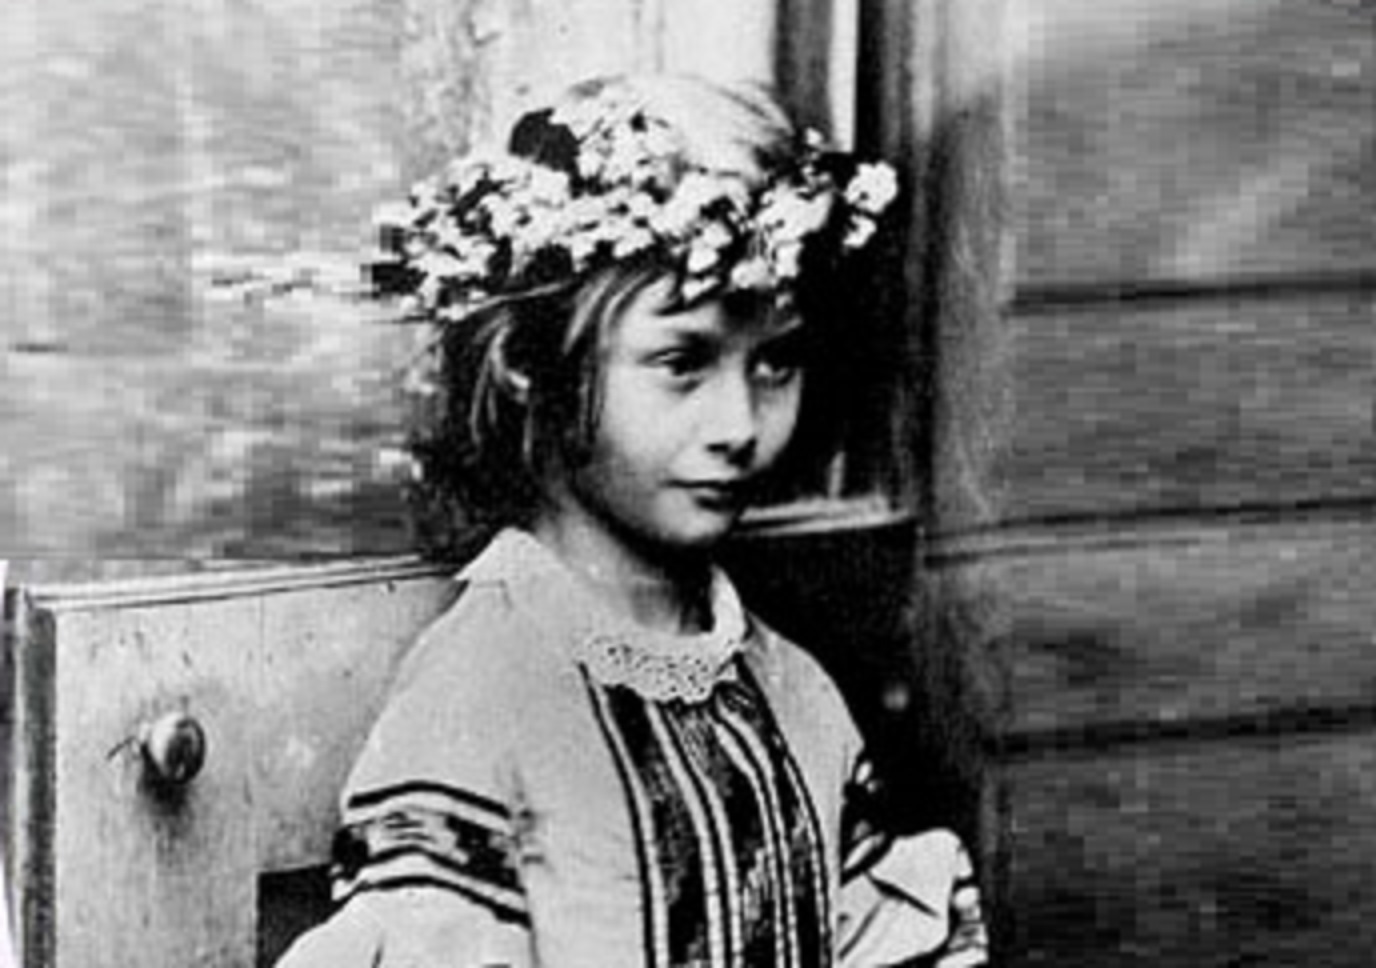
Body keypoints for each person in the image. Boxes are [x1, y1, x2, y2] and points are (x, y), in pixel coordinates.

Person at [277, 73, 988, 968]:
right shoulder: (486, 697)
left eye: (774, 363)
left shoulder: (790, 690)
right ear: (530, 364)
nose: (738, 425)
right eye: (682, 362)